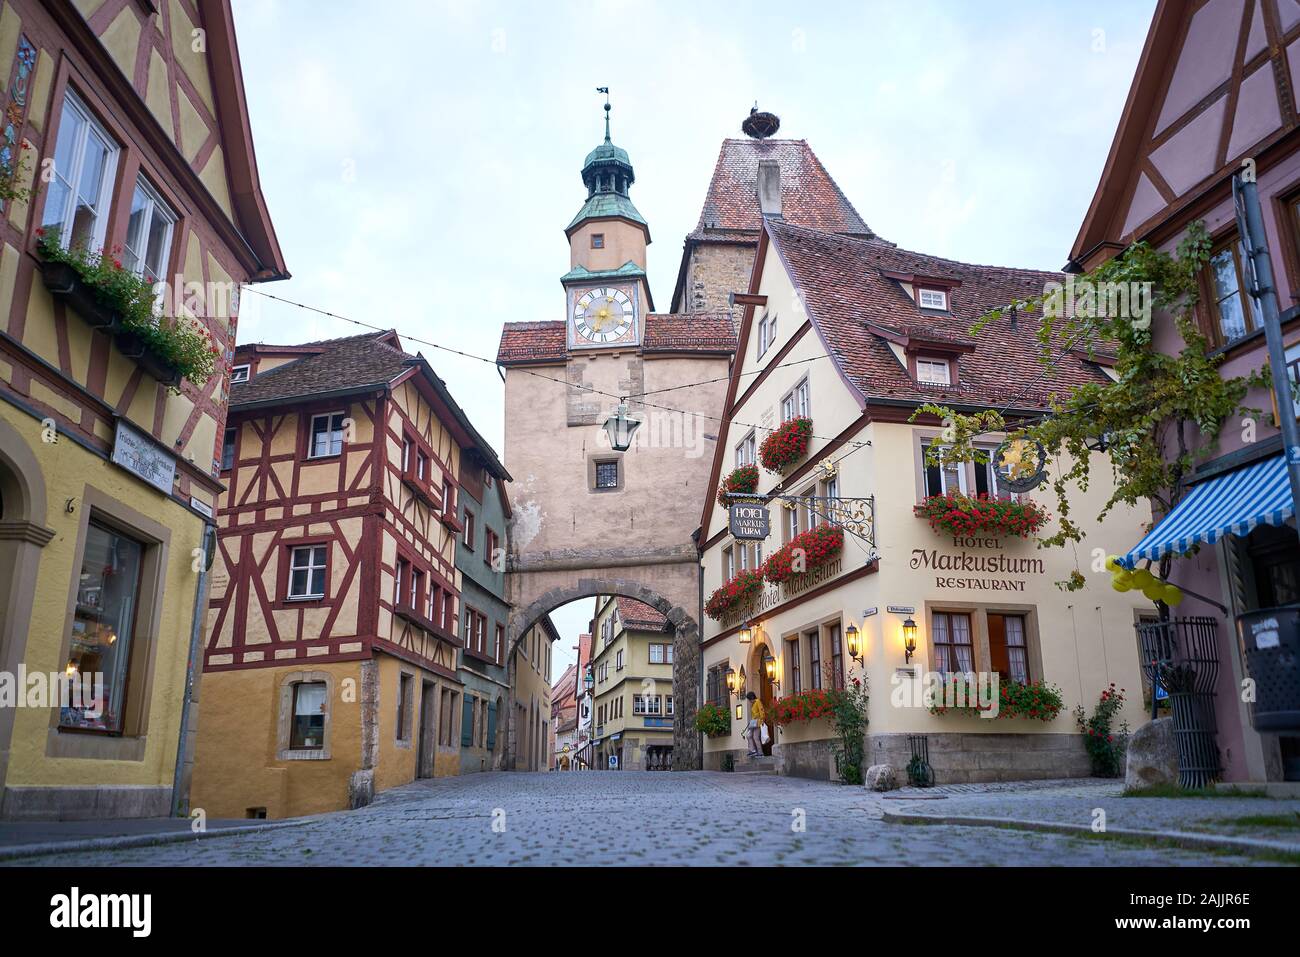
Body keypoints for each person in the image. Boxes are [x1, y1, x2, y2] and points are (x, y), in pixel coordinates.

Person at [745, 691, 765, 757]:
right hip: (753, 723)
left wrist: (762, 720)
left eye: (749, 699)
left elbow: (761, 711)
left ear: (752, 697)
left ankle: (760, 752)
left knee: (755, 737)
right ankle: (753, 750)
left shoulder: (757, 701)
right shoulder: (753, 704)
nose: (749, 701)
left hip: (758, 722)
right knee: (748, 736)